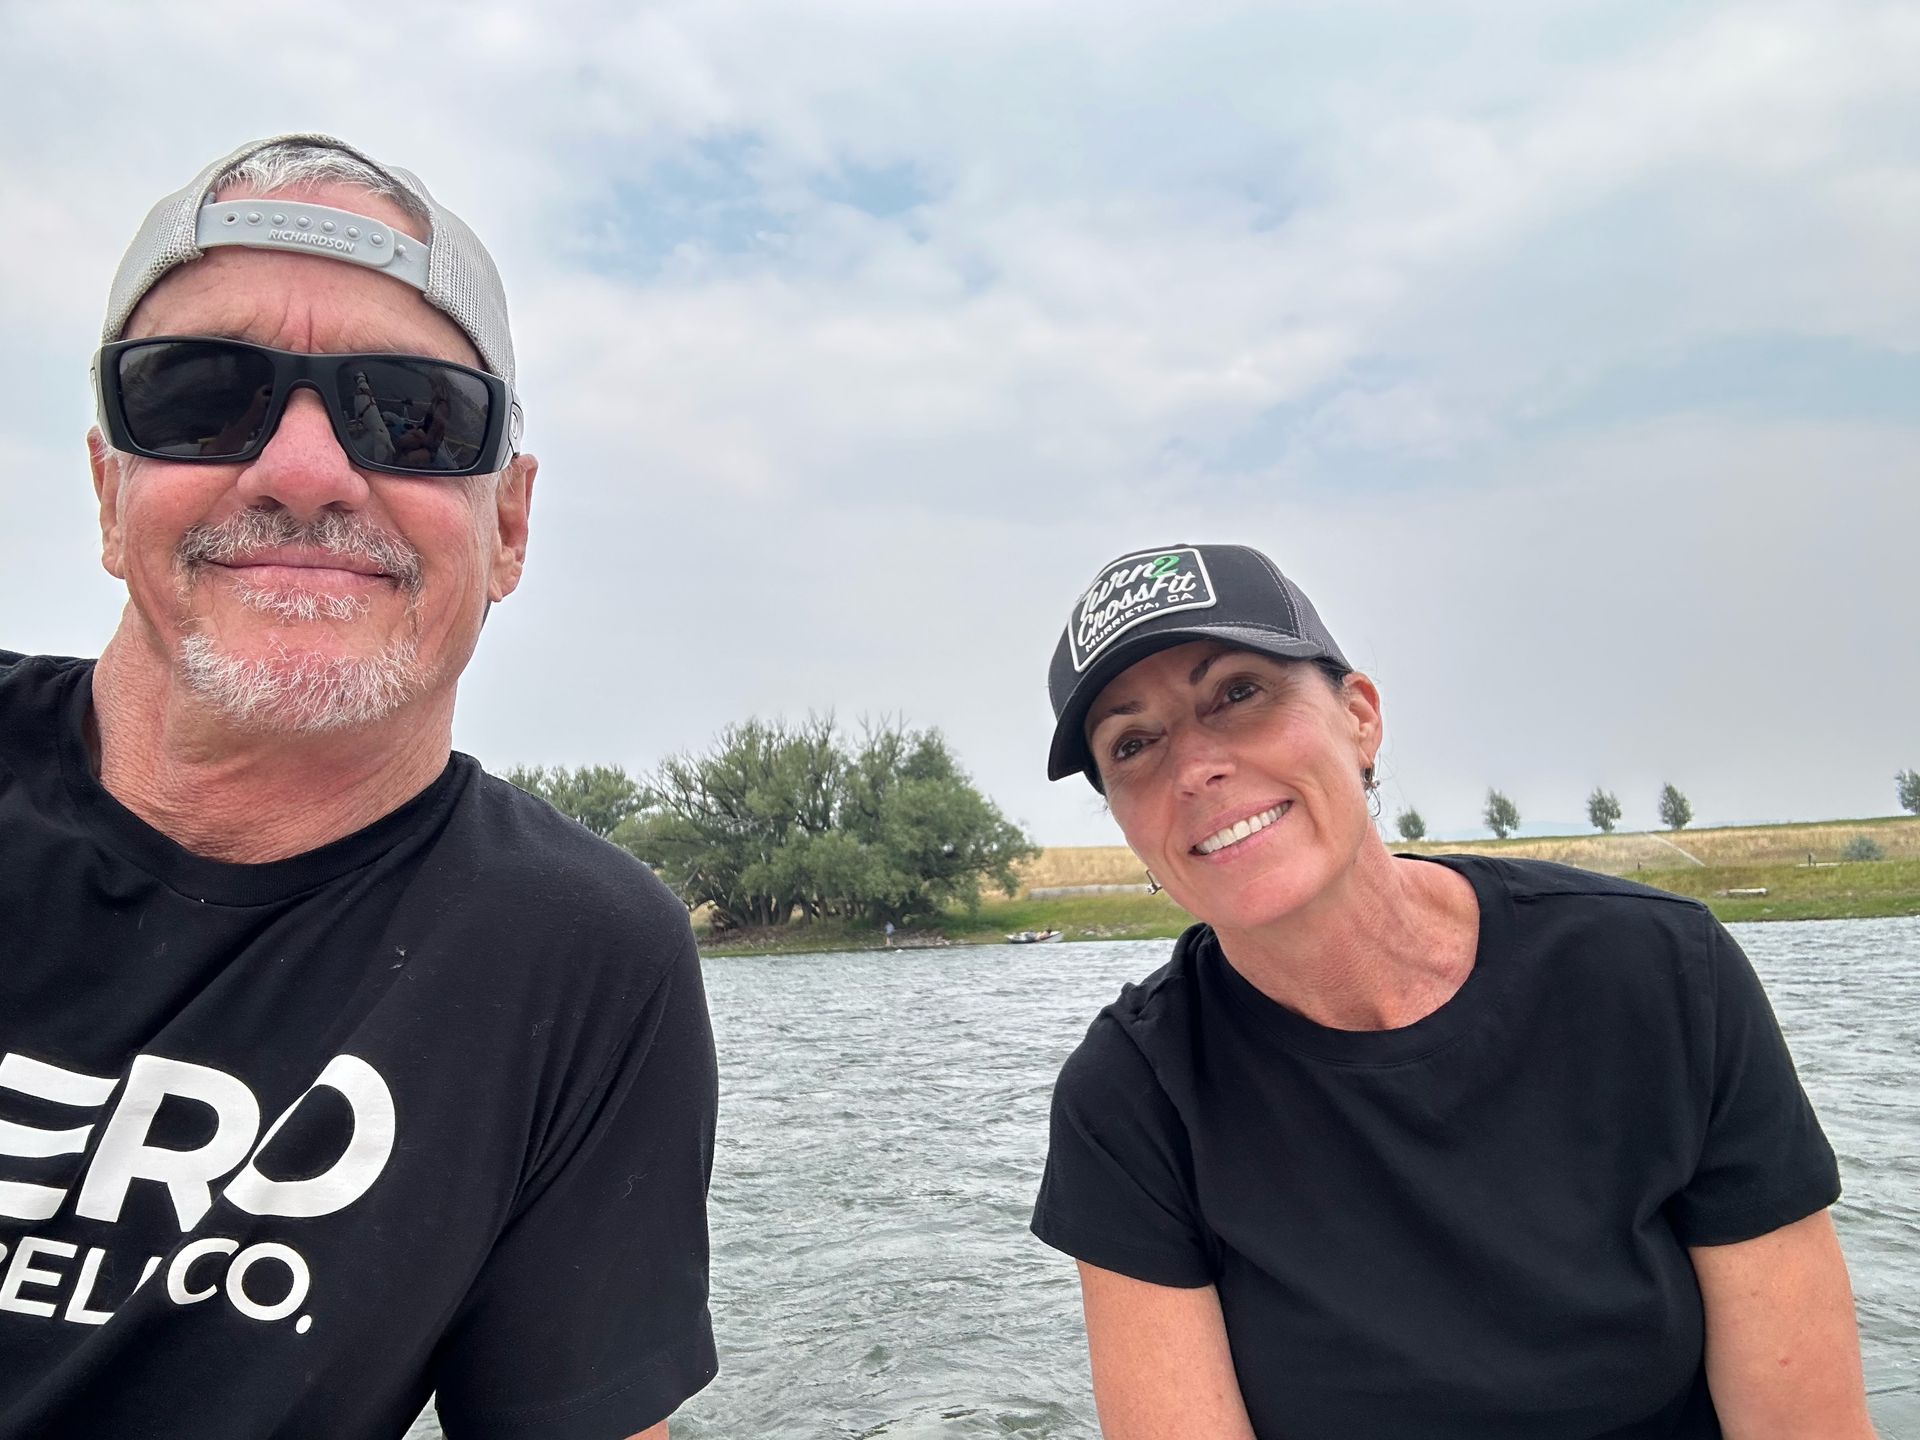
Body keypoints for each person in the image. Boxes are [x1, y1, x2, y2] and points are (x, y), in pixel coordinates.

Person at [0, 136, 717, 1440]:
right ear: (109, 493)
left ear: (506, 529)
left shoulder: (577, 961)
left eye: (413, 414)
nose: (306, 469)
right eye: (202, 395)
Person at [1029, 543, 1875, 1438]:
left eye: (1238, 693)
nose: (1194, 766)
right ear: (1124, 819)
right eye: (1134, 744)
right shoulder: (1131, 1098)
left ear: (1360, 717)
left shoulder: (1659, 977)